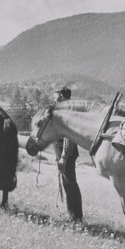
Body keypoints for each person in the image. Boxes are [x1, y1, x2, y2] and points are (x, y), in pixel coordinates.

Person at [53, 87, 83, 221]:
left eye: (55, 96)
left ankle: (75, 217)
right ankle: (74, 215)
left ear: (61, 96)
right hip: (64, 152)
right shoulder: (65, 110)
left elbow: (68, 137)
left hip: (67, 153)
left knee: (70, 184)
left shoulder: (67, 112)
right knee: (68, 183)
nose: (54, 98)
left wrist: (63, 157)